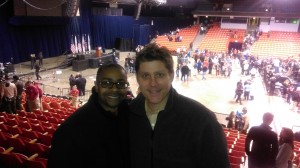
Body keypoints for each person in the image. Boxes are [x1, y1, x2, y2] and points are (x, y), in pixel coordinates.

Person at [129, 43, 230, 167]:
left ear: (171, 75)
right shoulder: (127, 115)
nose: (153, 83)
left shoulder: (202, 120)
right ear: (137, 78)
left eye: (159, 75)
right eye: (145, 76)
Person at [47, 63, 130, 168]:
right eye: (106, 83)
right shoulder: (70, 131)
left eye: (121, 84)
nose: (114, 89)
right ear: (96, 86)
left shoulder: (130, 115)